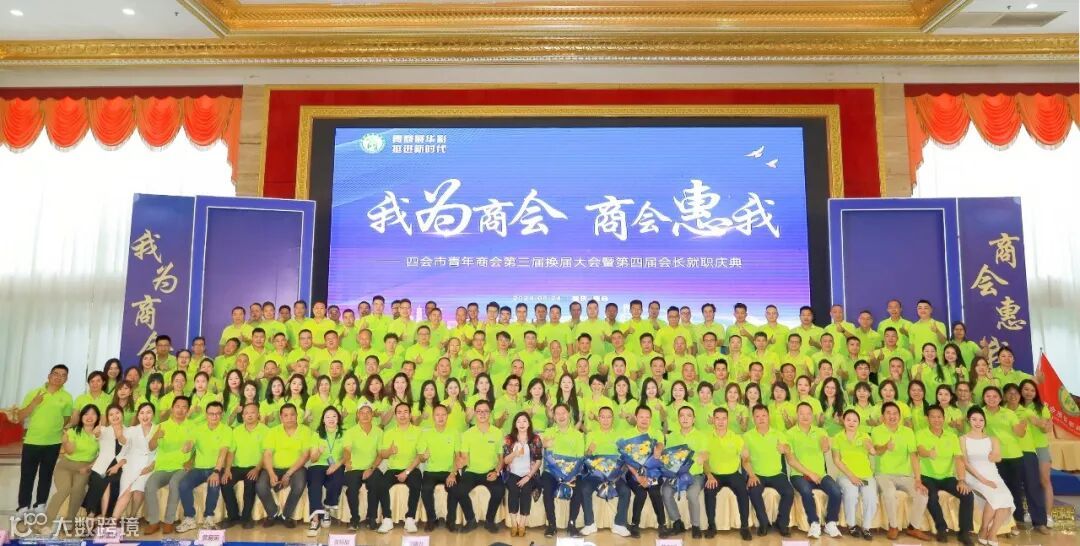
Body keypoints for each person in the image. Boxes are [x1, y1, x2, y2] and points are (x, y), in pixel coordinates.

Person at [17, 364, 73, 516]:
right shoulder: (34, 393)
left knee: (46, 475)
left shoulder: (67, 397)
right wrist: (34, 404)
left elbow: (66, 418)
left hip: (53, 443)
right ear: (49, 376)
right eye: (56, 374)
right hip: (32, 441)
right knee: (27, 475)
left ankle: (40, 504)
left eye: (63, 375)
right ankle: (23, 506)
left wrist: (55, 429)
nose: (59, 377)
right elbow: (20, 416)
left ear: (66, 379)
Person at [871, 401, 932, 541]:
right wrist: (886, 446)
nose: (892, 416)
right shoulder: (876, 430)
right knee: (889, 492)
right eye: (888, 413)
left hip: (905, 475)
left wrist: (918, 479)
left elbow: (913, 456)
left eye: (895, 413)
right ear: (883, 416)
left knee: (922, 494)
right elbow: (876, 451)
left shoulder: (908, 432)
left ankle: (913, 527)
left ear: (900, 416)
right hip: (883, 474)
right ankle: (893, 526)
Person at [917, 405, 975, 545]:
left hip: (947, 477)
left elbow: (958, 459)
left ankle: (964, 532)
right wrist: (928, 453)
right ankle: (941, 528)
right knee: (931, 496)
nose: (936, 420)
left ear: (944, 418)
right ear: (927, 419)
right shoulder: (920, 433)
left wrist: (961, 480)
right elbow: (920, 450)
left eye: (939, 417)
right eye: (933, 417)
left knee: (967, 494)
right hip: (928, 476)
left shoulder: (952, 436)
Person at [785, 402, 843, 539]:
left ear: (812, 416)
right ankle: (814, 523)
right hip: (799, 475)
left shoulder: (821, 432)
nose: (805, 416)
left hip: (820, 474)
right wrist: (809, 473)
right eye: (802, 413)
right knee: (806, 491)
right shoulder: (789, 434)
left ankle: (830, 523)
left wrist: (825, 446)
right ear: (797, 415)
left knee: (836, 491)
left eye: (808, 414)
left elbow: (825, 449)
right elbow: (791, 460)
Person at [451, 399, 506, 533]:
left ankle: (489, 521)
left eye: (485, 411)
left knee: (499, 490)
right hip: (472, 471)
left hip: (490, 471)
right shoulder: (467, 434)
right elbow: (464, 458)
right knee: (459, 490)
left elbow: (501, 458)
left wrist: (497, 472)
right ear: (475, 413)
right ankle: (471, 520)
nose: (482, 414)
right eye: (479, 411)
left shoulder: (497, 432)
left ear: (490, 413)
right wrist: (460, 463)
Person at [176, 401, 233, 532]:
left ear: (222, 414)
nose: (214, 416)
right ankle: (189, 518)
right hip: (199, 468)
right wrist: (187, 446)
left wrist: (216, 471)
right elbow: (191, 444)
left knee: (214, 484)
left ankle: (209, 518)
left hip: (216, 467)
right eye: (211, 414)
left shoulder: (226, 430)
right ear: (206, 415)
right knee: (183, 484)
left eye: (218, 414)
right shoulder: (198, 429)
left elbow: (223, 452)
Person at [961, 407, 1014, 546]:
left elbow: (998, 457)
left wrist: (994, 457)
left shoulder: (992, 439)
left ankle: (992, 533)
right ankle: (984, 529)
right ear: (968, 421)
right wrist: (983, 480)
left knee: (1007, 500)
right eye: (974, 419)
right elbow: (965, 463)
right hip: (973, 475)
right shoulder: (963, 439)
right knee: (995, 497)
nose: (977, 423)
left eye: (981, 420)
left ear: (985, 422)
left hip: (993, 474)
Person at [142, 396, 194, 535]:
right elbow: (151, 447)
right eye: (177, 406)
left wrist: (191, 461)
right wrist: (156, 436)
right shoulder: (162, 425)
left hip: (182, 467)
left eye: (184, 407)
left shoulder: (192, 425)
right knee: (150, 485)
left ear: (188, 410)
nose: (180, 410)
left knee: (174, 483)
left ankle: (168, 522)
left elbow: (196, 448)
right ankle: (153, 522)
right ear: (172, 408)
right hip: (163, 466)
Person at [45, 404, 100, 527]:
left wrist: (89, 467)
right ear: (81, 417)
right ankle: (47, 522)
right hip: (66, 465)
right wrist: (65, 442)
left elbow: (102, 455)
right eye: (86, 414)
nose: (89, 417)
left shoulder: (100, 434)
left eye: (93, 414)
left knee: (78, 489)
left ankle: (70, 520)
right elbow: (70, 451)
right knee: (64, 489)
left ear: (98, 417)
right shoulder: (73, 431)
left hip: (85, 467)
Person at [701, 407, 752, 540]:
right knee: (709, 490)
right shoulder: (706, 437)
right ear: (713, 420)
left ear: (728, 420)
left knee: (743, 490)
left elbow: (745, 459)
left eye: (724, 418)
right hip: (714, 474)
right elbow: (704, 461)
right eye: (717, 418)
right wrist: (709, 476)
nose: (720, 421)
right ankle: (711, 526)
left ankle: (745, 527)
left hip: (733, 473)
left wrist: (747, 460)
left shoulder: (736, 437)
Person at [742, 404, 793, 537]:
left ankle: (782, 523)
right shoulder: (747, 436)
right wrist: (751, 475)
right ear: (753, 418)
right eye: (757, 416)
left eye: (764, 415)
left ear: (768, 416)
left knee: (789, 492)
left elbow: (788, 449)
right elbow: (745, 461)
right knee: (754, 491)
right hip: (757, 474)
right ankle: (763, 523)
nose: (761, 419)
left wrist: (785, 449)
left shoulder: (778, 434)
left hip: (777, 474)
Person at [615, 406, 666, 538]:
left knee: (654, 492)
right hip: (633, 472)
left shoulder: (656, 432)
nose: (644, 420)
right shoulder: (627, 434)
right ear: (636, 418)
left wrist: (658, 448)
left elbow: (661, 444)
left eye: (647, 417)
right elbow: (625, 458)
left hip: (653, 472)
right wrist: (637, 475)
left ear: (651, 419)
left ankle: (662, 525)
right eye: (641, 417)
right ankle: (635, 525)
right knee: (641, 493)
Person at [257, 403, 311, 528]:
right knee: (260, 486)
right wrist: (271, 474)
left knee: (299, 485)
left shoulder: (305, 431)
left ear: (297, 415)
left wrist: (288, 474)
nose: (289, 418)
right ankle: (273, 513)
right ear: (281, 417)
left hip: (296, 468)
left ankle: (286, 515)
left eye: (292, 414)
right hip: (274, 467)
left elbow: (305, 456)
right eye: (286, 415)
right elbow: (267, 454)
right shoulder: (273, 431)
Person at [219, 403, 271, 529]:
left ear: (258, 415)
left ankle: (246, 518)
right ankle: (233, 516)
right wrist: (227, 469)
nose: (249, 415)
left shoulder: (266, 430)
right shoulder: (236, 430)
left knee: (250, 482)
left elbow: (266, 453)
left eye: (252, 412)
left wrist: (257, 469)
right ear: (242, 416)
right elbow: (231, 452)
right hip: (237, 467)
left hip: (255, 466)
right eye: (246, 413)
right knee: (225, 481)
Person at [375, 402, 423, 533]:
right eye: (399, 412)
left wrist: (406, 472)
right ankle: (387, 519)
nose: (402, 415)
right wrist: (389, 452)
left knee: (416, 483)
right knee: (381, 485)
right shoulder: (389, 433)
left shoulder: (418, 431)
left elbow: (420, 456)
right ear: (395, 416)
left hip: (411, 469)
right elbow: (382, 454)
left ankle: (410, 518)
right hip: (393, 469)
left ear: (410, 414)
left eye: (405, 412)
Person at [661, 406, 708, 537]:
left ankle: (696, 526)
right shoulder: (672, 437)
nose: (685, 418)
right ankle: (677, 523)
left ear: (694, 419)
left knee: (692, 494)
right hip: (676, 475)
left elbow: (705, 454)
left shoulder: (701, 436)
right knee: (665, 491)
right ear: (678, 419)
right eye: (682, 415)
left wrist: (702, 457)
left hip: (695, 475)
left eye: (689, 415)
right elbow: (668, 456)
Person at [541, 403, 587, 537]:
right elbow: (543, 450)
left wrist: (572, 474)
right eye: (557, 414)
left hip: (571, 471)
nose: (561, 416)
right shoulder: (549, 432)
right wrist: (543, 443)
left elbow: (580, 457)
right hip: (552, 471)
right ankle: (551, 525)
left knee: (579, 488)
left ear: (569, 414)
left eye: (564, 413)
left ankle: (572, 524)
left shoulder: (578, 435)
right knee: (547, 488)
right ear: (554, 417)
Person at [832, 409, 877, 540]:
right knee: (851, 494)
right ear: (843, 421)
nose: (851, 422)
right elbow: (836, 460)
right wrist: (851, 476)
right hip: (845, 475)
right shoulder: (837, 437)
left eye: (855, 420)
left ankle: (866, 527)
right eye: (848, 420)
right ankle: (851, 525)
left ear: (859, 423)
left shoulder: (865, 436)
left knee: (870, 497)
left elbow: (873, 452)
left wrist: (870, 447)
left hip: (866, 475)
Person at [416, 404, 460, 531]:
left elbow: (458, 456)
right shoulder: (426, 433)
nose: (441, 417)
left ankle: (450, 520)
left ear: (447, 416)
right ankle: (432, 519)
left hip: (449, 471)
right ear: (433, 417)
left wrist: (453, 473)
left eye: (443, 415)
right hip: (431, 471)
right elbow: (421, 457)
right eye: (437, 415)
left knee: (454, 488)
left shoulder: (454, 432)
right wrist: (423, 457)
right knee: (426, 489)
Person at [343, 402, 385, 531]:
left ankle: (371, 518)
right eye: (362, 412)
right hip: (354, 468)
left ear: (372, 415)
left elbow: (380, 454)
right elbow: (347, 449)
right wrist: (347, 461)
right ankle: (354, 519)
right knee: (352, 489)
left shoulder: (379, 431)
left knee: (375, 484)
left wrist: (371, 468)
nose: (365, 415)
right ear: (357, 415)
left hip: (371, 467)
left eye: (368, 412)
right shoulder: (350, 431)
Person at [111, 402, 157, 520]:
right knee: (126, 491)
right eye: (142, 413)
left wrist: (151, 466)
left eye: (148, 412)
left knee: (138, 489)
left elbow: (161, 452)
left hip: (150, 465)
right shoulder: (132, 430)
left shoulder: (158, 429)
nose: (145, 416)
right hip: (132, 465)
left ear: (153, 414)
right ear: (138, 416)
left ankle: (132, 516)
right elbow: (124, 443)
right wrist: (119, 435)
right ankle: (113, 521)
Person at [306, 406, 346, 536]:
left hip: (337, 465)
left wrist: (336, 465)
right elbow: (313, 459)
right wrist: (318, 451)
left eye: (334, 416)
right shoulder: (316, 434)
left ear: (338, 419)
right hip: (318, 465)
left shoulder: (344, 433)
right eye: (327, 417)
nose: (331, 419)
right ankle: (315, 520)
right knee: (314, 485)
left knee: (337, 481)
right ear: (323, 420)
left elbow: (347, 455)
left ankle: (327, 509)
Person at [502, 411, 542, 537]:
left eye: (524, 421)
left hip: (530, 474)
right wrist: (515, 453)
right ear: (515, 424)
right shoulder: (509, 439)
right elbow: (505, 461)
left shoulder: (535, 439)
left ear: (529, 424)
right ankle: (514, 524)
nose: (522, 424)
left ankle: (522, 525)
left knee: (526, 491)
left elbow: (538, 461)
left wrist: (528, 476)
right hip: (512, 473)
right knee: (513, 491)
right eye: (518, 421)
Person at [85, 404, 126, 519]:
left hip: (119, 466)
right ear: (107, 418)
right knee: (100, 479)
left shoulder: (129, 431)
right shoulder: (103, 430)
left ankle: (102, 515)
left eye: (117, 413)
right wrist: (96, 432)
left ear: (122, 414)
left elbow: (128, 451)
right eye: (111, 414)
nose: (115, 416)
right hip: (102, 465)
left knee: (109, 482)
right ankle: (92, 513)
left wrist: (117, 466)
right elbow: (97, 435)